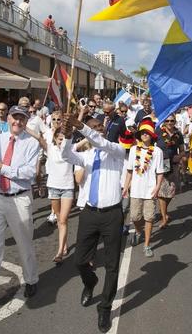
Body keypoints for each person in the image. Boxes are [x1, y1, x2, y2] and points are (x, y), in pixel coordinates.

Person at [61, 111, 126, 333]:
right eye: (93, 127)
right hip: (89, 213)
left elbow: (99, 142)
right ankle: (90, 283)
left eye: (100, 126)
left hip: (112, 214)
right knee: (79, 260)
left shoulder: (116, 151)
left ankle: (105, 307)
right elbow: (66, 155)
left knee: (112, 265)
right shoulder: (86, 156)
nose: (97, 129)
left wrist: (81, 125)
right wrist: (69, 134)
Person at [0, 106, 40, 316]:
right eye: (15, 117)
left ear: (26, 121)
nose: (17, 122)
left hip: (19, 199)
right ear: (8, 118)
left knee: (24, 244)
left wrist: (2, 167)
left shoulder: (32, 144)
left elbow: (29, 174)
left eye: (22, 118)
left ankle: (31, 279)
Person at [123, 119, 164, 258]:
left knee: (150, 217)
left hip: (150, 189)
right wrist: (126, 186)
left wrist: (157, 187)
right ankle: (139, 231)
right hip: (136, 189)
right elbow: (129, 170)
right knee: (135, 216)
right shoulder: (134, 149)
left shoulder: (157, 151)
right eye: (142, 132)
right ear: (139, 135)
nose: (145, 135)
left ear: (152, 135)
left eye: (148, 132)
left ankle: (147, 245)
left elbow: (160, 172)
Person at [43, 122, 75, 264]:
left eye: (64, 139)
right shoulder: (50, 148)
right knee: (58, 218)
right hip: (53, 187)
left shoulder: (71, 148)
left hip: (68, 187)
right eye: (59, 139)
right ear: (55, 139)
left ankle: (59, 252)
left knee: (62, 219)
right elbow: (38, 137)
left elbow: (85, 138)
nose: (61, 141)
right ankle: (64, 243)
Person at [155, 114, 185, 229]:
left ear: (175, 122)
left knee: (171, 192)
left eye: (172, 121)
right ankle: (164, 217)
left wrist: (179, 156)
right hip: (161, 164)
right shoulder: (158, 132)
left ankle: (164, 211)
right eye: (167, 120)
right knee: (162, 193)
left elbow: (183, 150)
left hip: (173, 164)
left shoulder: (178, 134)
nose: (169, 123)